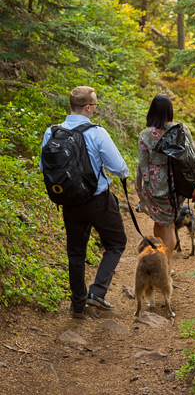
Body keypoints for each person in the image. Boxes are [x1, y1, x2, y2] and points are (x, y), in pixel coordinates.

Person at [40, 86, 129, 318]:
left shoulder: (51, 132)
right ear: (88, 107)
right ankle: (97, 292)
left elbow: (44, 168)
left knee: (76, 254)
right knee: (116, 243)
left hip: (69, 202)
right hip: (98, 200)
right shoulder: (96, 132)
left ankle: (78, 306)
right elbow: (119, 167)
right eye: (95, 106)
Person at [136, 94, 195, 264]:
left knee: (164, 224)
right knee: (166, 223)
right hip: (178, 185)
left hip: (156, 187)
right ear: (169, 110)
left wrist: (144, 189)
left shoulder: (145, 135)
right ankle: (162, 263)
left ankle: (164, 266)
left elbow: (143, 166)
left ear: (152, 111)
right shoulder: (182, 130)